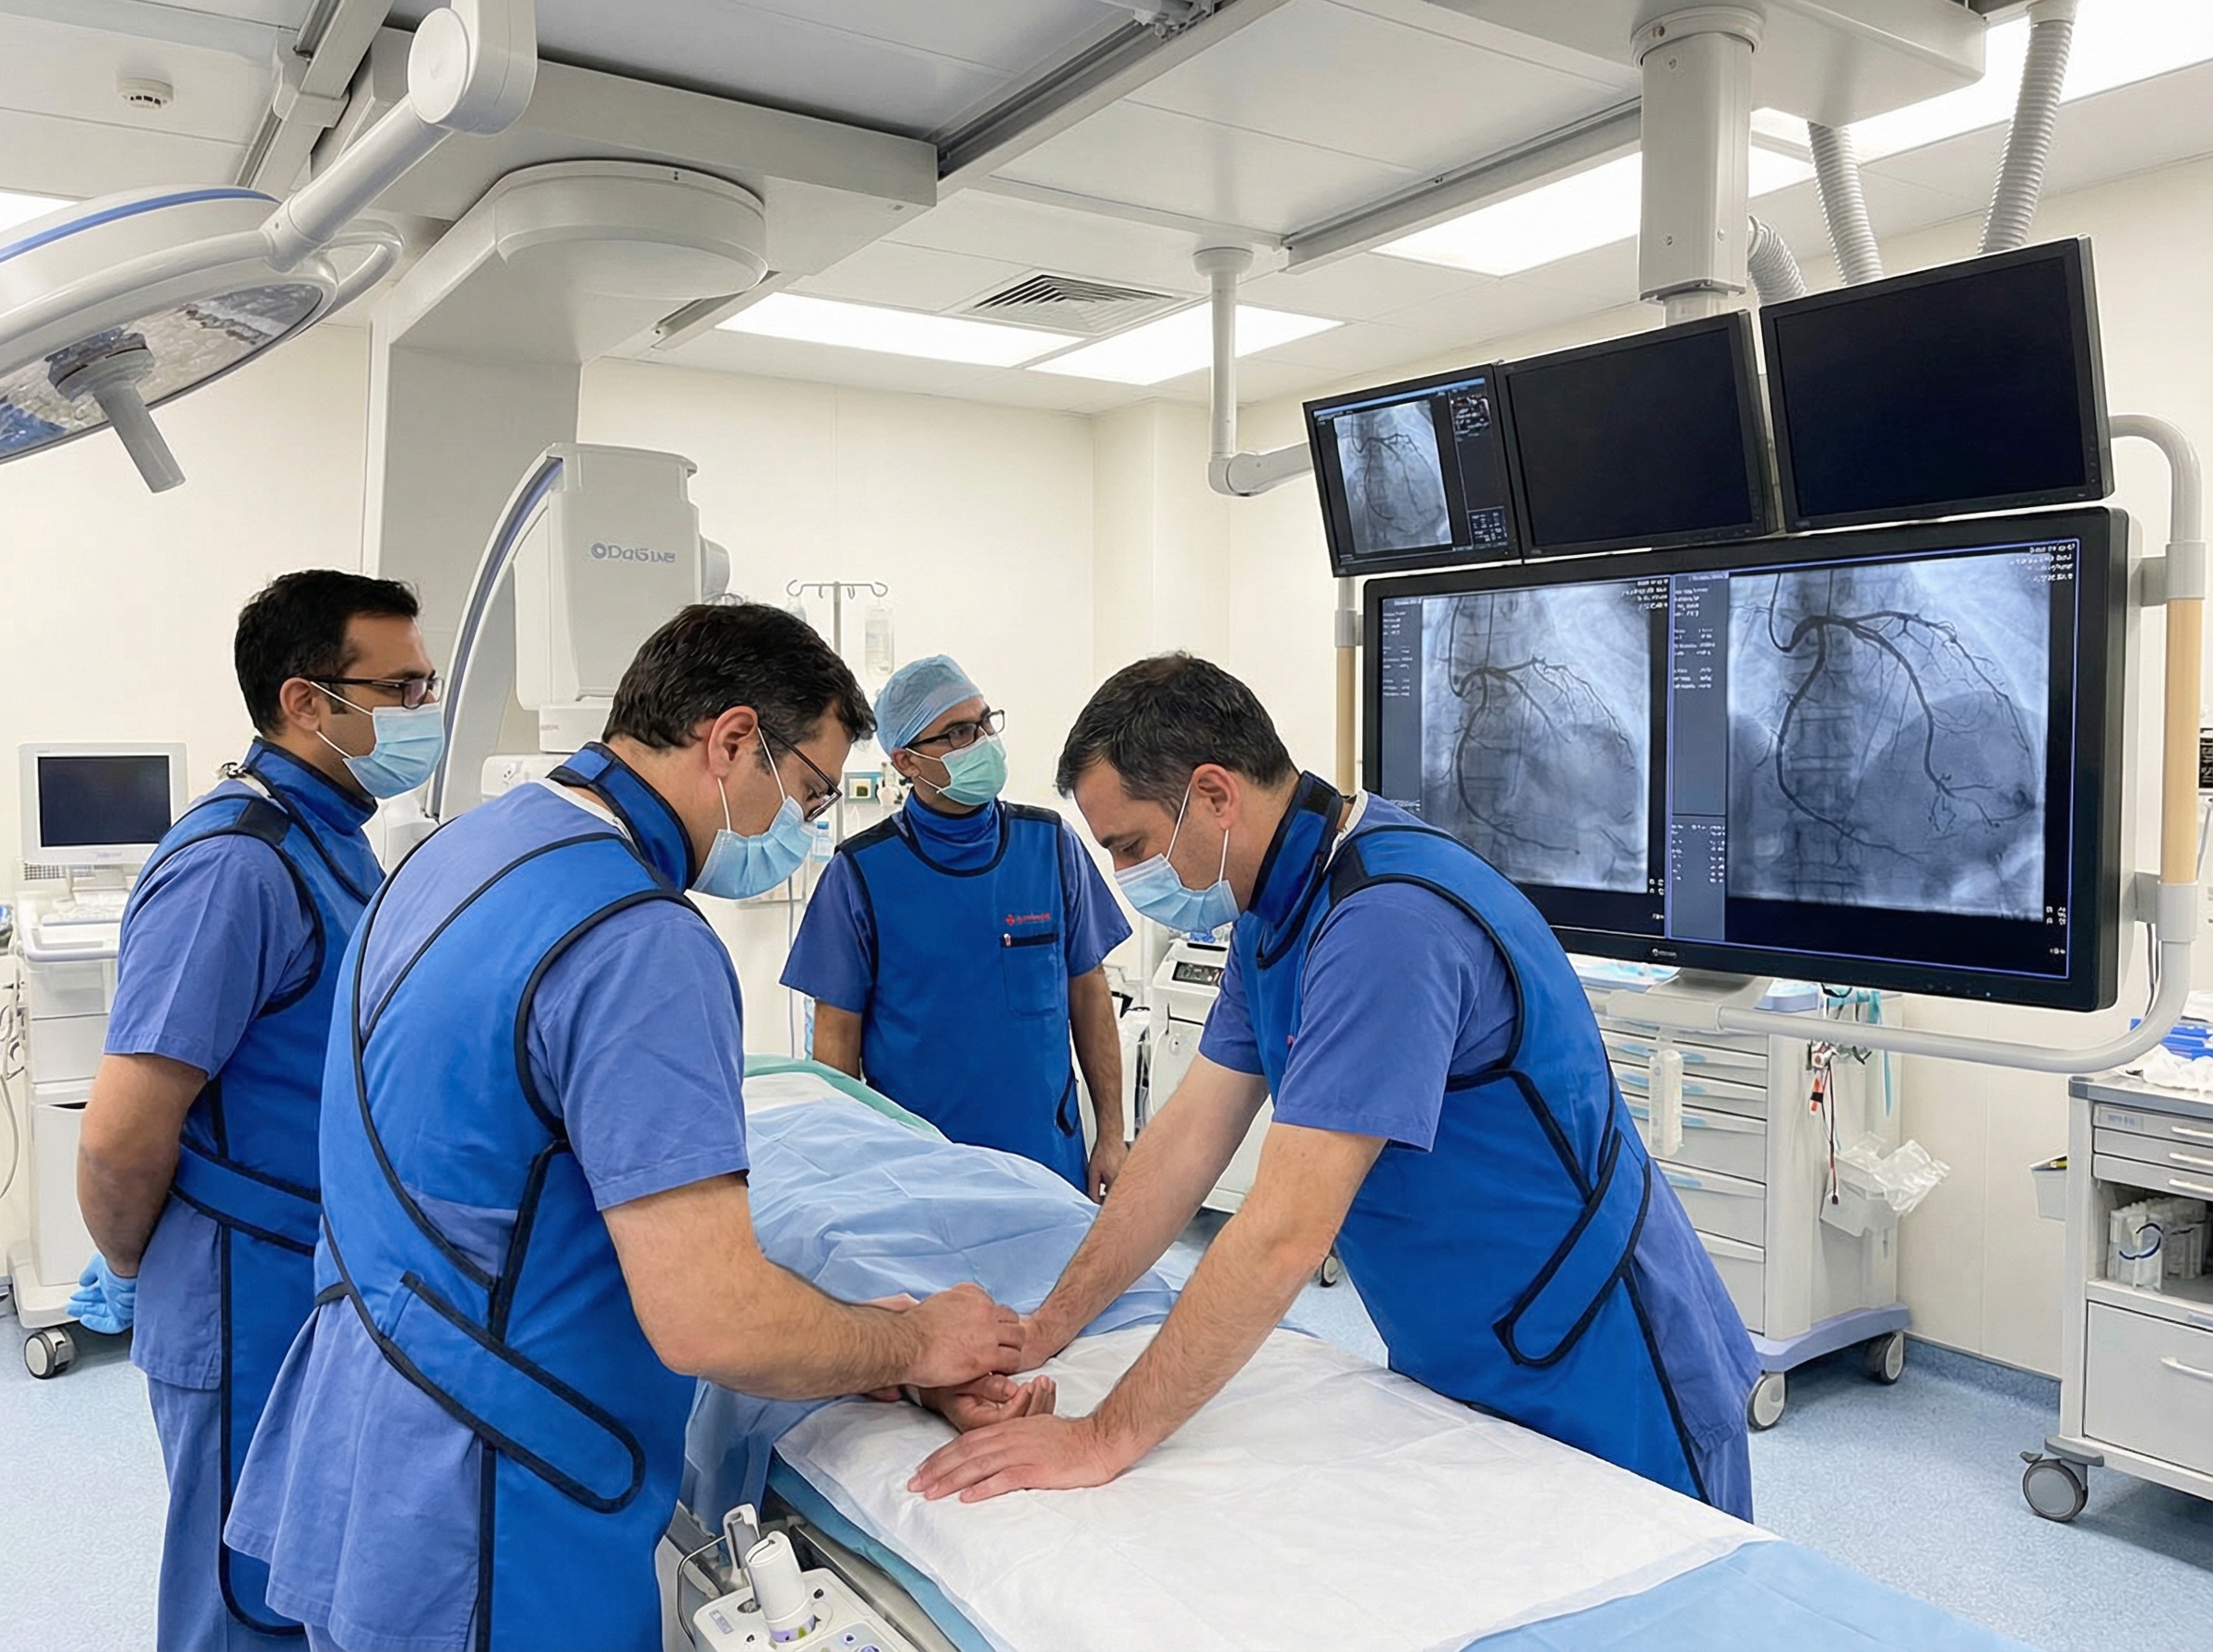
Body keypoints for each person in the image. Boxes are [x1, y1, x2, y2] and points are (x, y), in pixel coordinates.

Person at [226, 604, 1035, 1652]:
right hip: (502, 1515)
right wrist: (916, 1337)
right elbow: (712, 1317)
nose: (808, 825)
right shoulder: (639, 939)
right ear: (734, 740)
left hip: (366, 1460)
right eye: (811, 792)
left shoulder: (464, 849)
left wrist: (842, 1344)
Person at [911, 653, 1759, 1518]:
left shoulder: (1386, 921)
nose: (1128, 877)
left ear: (1213, 795)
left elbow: (1283, 1232)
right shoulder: (1273, 913)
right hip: (1464, 1353)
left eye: (1130, 847)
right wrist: (1047, 1330)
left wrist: (1100, 1441)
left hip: (1607, 1362)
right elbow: (1184, 1142)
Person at [76, 569, 440, 1648]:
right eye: (403, 688)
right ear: (306, 702)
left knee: (307, 1582)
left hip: (311, 1279)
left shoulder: (332, 841)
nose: (424, 712)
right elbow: (119, 1135)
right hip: (242, 1287)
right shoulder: (234, 864)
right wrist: (146, 1265)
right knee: (242, 1600)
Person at [782, 655, 1132, 1198]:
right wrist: (850, 1174)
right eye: (959, 732)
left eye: (986, 722)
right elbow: (835, 1048)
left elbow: (1090, 997)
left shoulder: (1051, 846)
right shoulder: (860, 875)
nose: (983, 741)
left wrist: (1112, 1133)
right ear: (907, 761)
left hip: (1047, 1163)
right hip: (920, 1176)